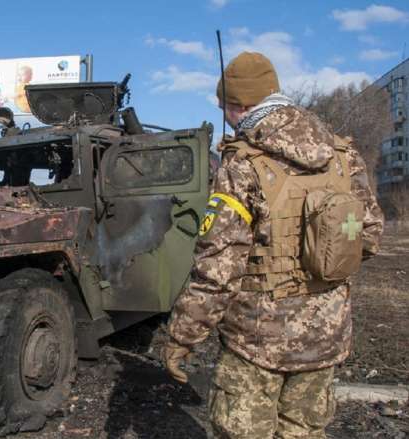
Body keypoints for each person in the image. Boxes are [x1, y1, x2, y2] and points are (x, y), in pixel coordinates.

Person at [162, 51, 384, 438]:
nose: (226, 115)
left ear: (241, 105)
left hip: (257, 340)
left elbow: (217, 271)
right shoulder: (343, 156)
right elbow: (369, 235)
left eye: (224, 106)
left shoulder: (242, 166)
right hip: (327, 334)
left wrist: (183, 335)